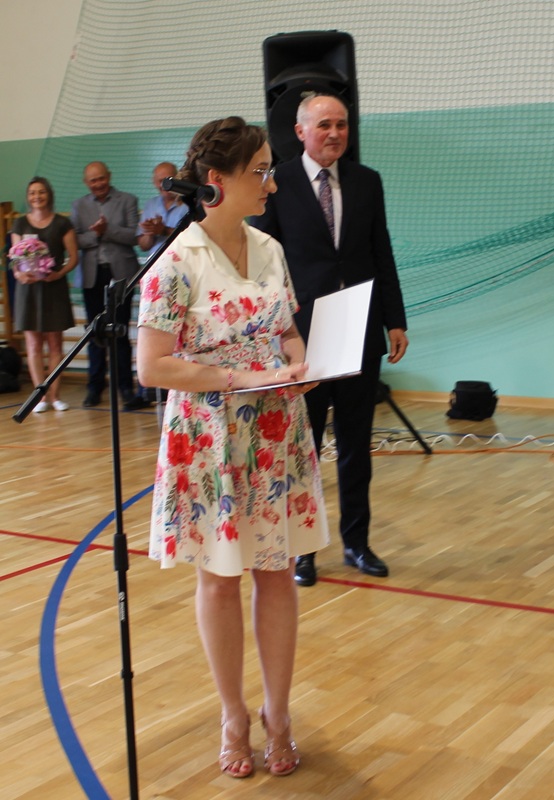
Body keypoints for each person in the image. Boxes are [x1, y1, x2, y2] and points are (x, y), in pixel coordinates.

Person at [136, 117, 329, 778]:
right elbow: (152, 366)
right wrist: (241, 378)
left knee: (276, 572)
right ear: (216, 181)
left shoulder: (269, 249)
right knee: (219, 580)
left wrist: (301, 364)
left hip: (274, 432)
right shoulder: (176, 262)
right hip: (209, 437)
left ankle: (279, 713)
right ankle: (233, 715)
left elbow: (288, 333)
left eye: (270, 170)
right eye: (261, 172)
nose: (272, 183)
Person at [253, 92, 409, 587]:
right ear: (300, 131)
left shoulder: (367, 181)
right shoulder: (276, 182)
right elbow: (263, 261)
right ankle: (302, 550)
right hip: (302, 332)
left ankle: (357, 543)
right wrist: (273, 328)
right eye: (324, 125)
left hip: (359, 327)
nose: (335, 133)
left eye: (341, 124)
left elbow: (381, 251)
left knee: (357, 444)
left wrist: (395, 319)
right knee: (305, 446)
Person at [71, 161, 149, 410]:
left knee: (120, 332)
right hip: (92, 276)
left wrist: (107, 230)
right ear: (86, 183)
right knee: (94, 332)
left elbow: (133, 236)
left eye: (101, 178)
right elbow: (75, 241)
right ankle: (94, 387)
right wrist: (95, 234)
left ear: (109, 176)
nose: (98, 184)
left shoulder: (127, 200)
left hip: (121, 275)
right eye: (93, 180)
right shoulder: (79, 205)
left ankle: (125, 387)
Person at [8, 177, 78, 412]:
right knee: (33, 344)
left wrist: (59, 274)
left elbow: (73, 258)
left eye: (41, 192)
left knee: (55, 344)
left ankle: (55, 396)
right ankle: (40, 397)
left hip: (53, 288)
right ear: (28, 197)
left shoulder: (62, 223)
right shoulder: (19, 224)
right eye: (32, 193)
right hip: (28, 291)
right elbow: (15, 260)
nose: (37, 196)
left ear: (49, 194)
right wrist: (19, 274)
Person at [137, 161, 189, 258]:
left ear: (178, 179)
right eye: (160, 181)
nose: (164, 185)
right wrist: (150, 232)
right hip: (154, 263)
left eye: (169, 180)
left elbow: (193, 237)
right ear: (154, 183)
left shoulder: (189, 204)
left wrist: (164, 230)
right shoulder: (150, 205)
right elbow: (143, 247)